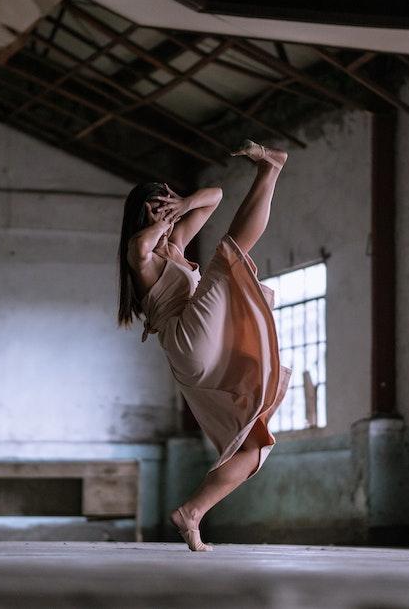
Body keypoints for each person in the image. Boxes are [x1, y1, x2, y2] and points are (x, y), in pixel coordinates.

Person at [117, 140, 291, 552]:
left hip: (200, 351)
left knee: (254, 447)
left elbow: (216, 196)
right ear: (144, 211)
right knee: (229, 257)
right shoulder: (139, 252)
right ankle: (271, 171)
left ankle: (192, 513)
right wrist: (159, 220)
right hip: (188, 341)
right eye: (158, 205)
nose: (168, 211)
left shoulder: (175, 242)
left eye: (168, 204)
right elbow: (142, 245)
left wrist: (184, 203)